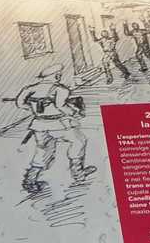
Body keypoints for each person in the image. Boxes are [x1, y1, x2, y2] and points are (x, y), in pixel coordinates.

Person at [12, 64, 95, 195]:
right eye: (59, 75)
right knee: (79, 141)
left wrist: (35, 110)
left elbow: (20, 103)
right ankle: (78, 173)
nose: (60, 77)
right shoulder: (60, 89)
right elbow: (61, 106)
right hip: (59, 124)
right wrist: (75, 112)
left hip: (39, 125)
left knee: (43, 150)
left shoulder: (29, 89)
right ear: (56, 76)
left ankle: (30, 180)